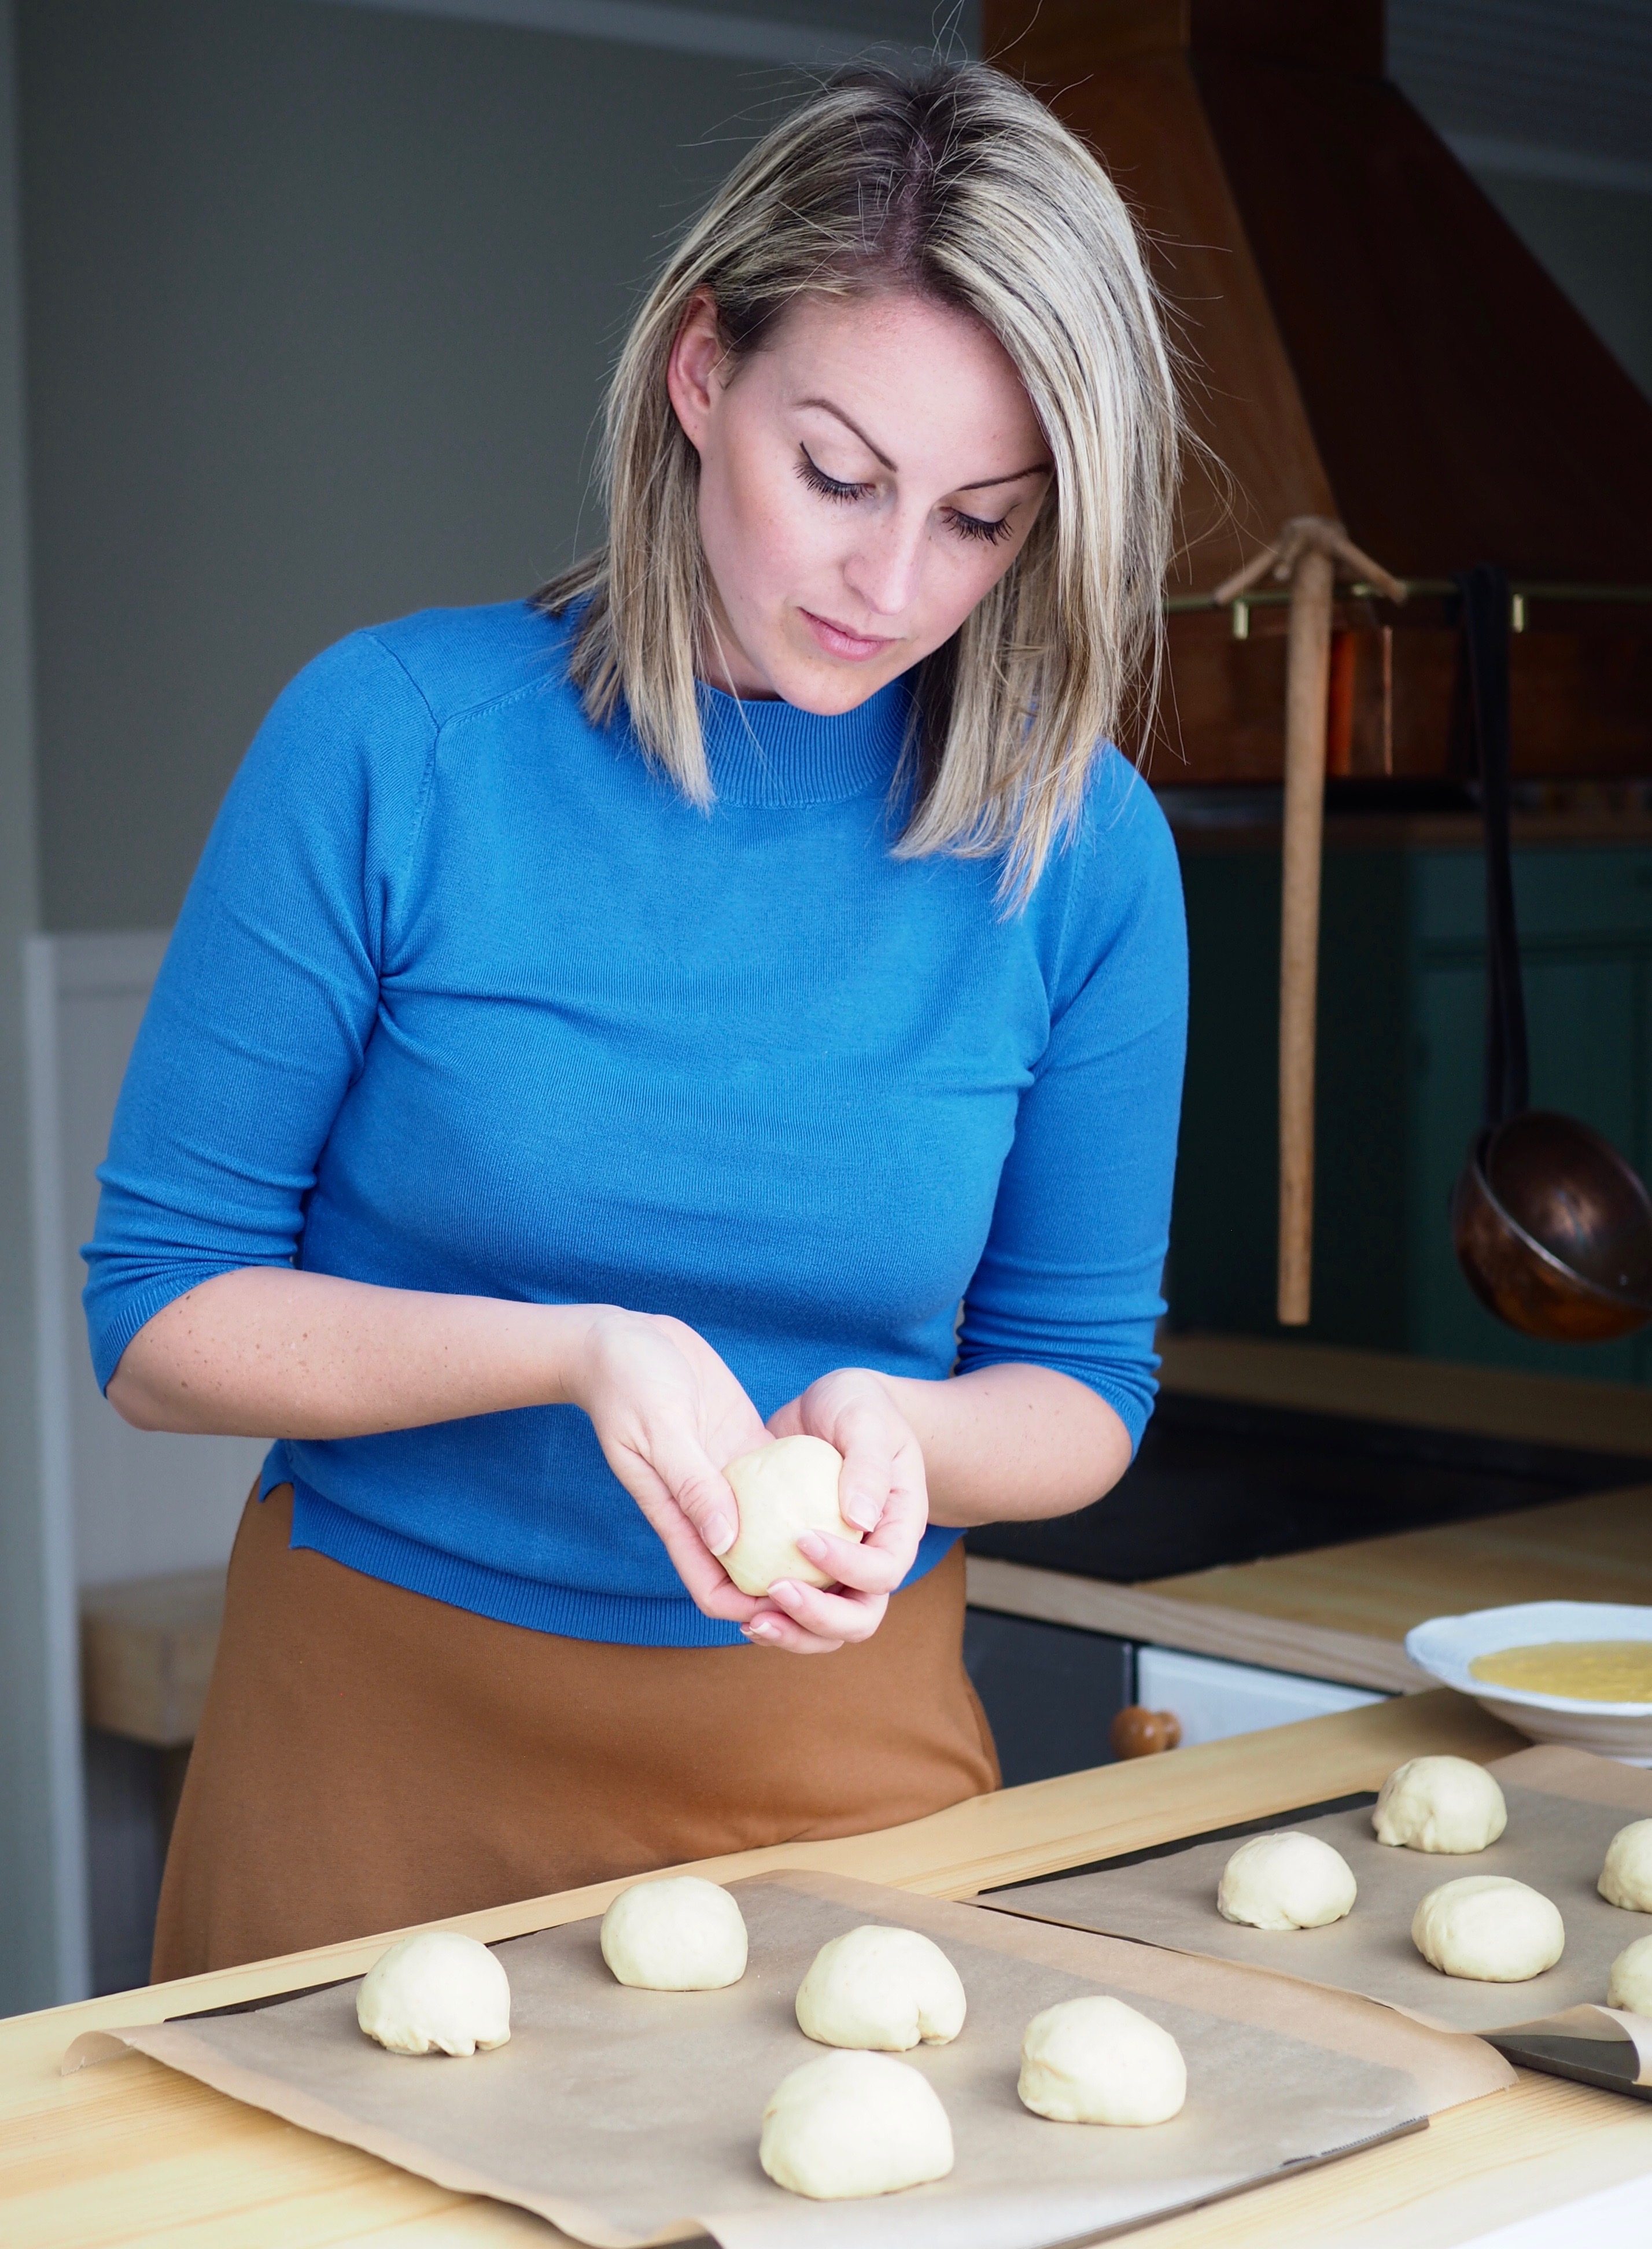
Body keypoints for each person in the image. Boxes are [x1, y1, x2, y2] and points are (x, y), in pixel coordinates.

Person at [84, 61, 1188, 1979]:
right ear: (700, 378)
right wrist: (569, 1351)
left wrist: (909, 1434)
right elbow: (161, 1322)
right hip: (372, 1760)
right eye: (837, 475)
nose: (891, 580)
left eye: (983, 521)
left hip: (836, 1773)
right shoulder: (396, 743)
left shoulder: (1079, 846)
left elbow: (1082, 1387)